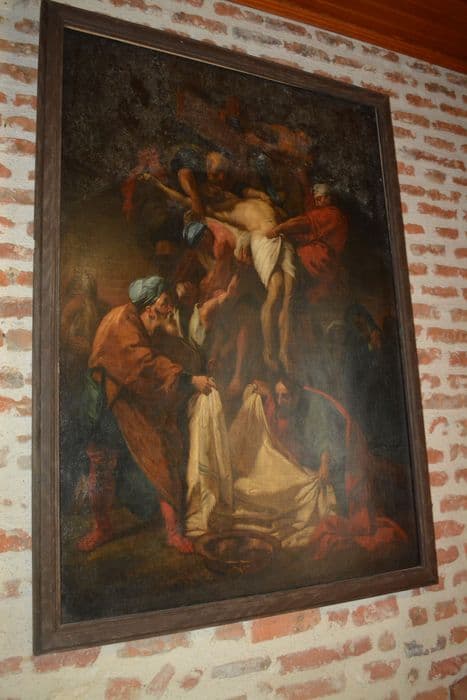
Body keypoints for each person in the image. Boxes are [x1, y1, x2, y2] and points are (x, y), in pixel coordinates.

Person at [78, 275, 215, 554]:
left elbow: (170, 357)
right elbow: (144, 364)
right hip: (108, 402)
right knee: (103, 465)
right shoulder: (121, 323)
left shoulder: (144, 322)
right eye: (165, 303)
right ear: (150, 306)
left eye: (169, 303)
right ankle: (102, 528)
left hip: (131, 397)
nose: (169, 309)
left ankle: (173, 532)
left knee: (162, 454)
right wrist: (190, 380)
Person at [267, 183, 348, 302]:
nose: (317, 202)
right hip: (325, 263)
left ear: (328, 198)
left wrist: (278, 229)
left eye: (320, 199)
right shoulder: (327, 212)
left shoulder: (331, 214)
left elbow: (304, 222)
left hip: (323, 262)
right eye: (316, 199)